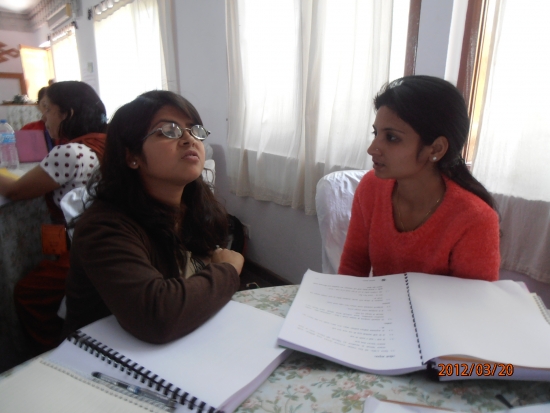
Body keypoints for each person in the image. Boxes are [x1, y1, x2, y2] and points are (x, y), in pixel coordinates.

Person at [62, 90, 243, 343]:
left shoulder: (195, 209)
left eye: (194, 130)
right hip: (107, 359)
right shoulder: (103, 227)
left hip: (182, 345)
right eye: (168, 130)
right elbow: (157, 316)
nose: (189, 139)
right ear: (132, 156)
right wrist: (226, 271)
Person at [338, 75, 500, 281]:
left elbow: (473, 305)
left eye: (392, 138)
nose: (372, 149)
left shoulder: (475, 219)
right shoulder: (371, 187)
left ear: (436, 148)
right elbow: (353, 265)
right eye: (375, 133)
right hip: (378, 311)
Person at [0, 81, 108, 352]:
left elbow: (14, 191)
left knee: (28, 293)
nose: (43, 117)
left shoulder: (70, 152)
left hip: (84, 247)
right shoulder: (106, 142)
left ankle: (52, 351)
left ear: (67, 114)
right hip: (104, 235)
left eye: (48, 110)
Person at [20, 86, 54, 150]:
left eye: (54, 105)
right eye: (45, 105)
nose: (49, 109)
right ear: (38, 106)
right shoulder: (28, 129)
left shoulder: (69, 130)